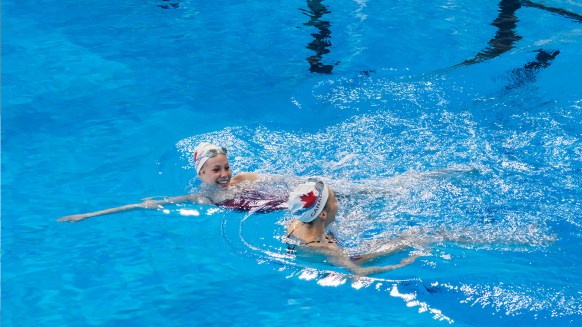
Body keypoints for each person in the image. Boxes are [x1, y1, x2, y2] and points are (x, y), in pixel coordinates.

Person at [57, 142, 288, 222]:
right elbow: (148, 204)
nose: (225, 174)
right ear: (201, 175)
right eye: (216, 170)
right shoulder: (204, 198)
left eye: (226, 167)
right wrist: (88, 215)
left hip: (286, 204)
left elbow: (288, 180)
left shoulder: (244, 178)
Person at [285, 178, 421, 276]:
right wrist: (401, 265)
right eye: (335, 200)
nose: (338, 203)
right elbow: (358, 273)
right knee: (408, 240)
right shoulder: (327, 249)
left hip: (323, 244)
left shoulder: (295, 224)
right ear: (323, 214)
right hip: (341, 259)